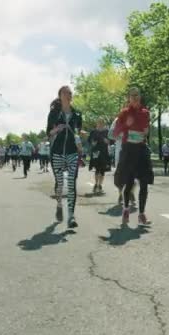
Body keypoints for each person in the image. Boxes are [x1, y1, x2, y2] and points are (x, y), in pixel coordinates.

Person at [113, 87, 152, 225]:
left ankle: (141, 214)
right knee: (129, 183)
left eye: (137, 95)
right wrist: (125, 127)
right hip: (129, 150)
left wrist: (145, 131)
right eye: (132, 95)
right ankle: (125, 210)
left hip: (141, 149)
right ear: (129, 98)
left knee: (145, 183)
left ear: (140, 97)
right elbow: (115, 132)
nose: (135, 97)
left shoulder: (145, 113)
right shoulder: (124, 113)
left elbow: (146, 130)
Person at [47, 85, 82, 228]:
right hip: (57, 152)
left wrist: (79, 141)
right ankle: (59, 204)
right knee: (60, 183)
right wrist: (56, 129)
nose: (68, 95)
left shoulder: (77, 114)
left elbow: (78, 132)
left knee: (72, 184)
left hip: (72, 151)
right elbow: (48, 132)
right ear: (60, 96)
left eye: (70, 93)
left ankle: (71, 216)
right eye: (66, 93)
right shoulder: (54, 113)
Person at [88, 118, 110, 194]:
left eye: (101, 123)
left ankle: (100, 185)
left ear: (103, 124)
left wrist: (107, 141)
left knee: (103, 170)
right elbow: (89, 141)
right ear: (97, 123)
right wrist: (92, 143)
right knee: (97, 169)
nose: (100, 124)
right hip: (96, 152)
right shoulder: (93, 132)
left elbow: (111, 141)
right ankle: (96, 184)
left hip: (104, 152)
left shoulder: (107, 132)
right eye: (99, 122)